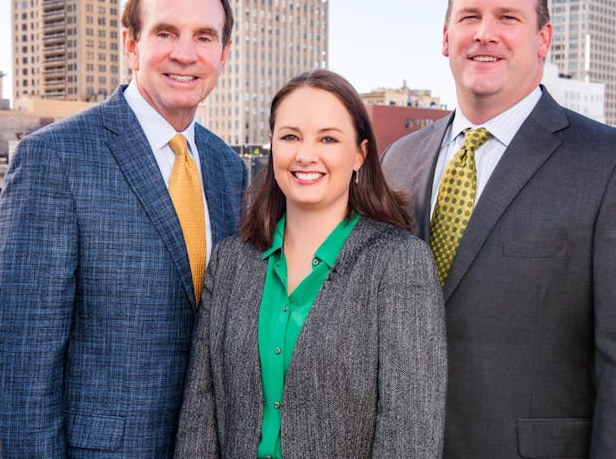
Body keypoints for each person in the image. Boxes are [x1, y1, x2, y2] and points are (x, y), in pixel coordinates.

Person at [382, 0, 616, 458]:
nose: (485, 33)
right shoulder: (399, 161)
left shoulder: (613, 164)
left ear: (543, 39)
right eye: (470, 17)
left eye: (508, 17)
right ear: (446, 37)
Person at [0, 0, 247, 457]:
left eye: (203, 37)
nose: (185, 53)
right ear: (131, 45)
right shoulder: (54, 158)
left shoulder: (228, 168)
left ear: (223, 54)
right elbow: (22, 364)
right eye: (165, 33)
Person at [174, 69, 447, 458]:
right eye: (290, 137)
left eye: (328, 139)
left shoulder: (398, 263)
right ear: (272, 145)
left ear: (360, 154)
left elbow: (409, 438)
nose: (305, 155)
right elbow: (199, 418)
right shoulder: (230, 261)